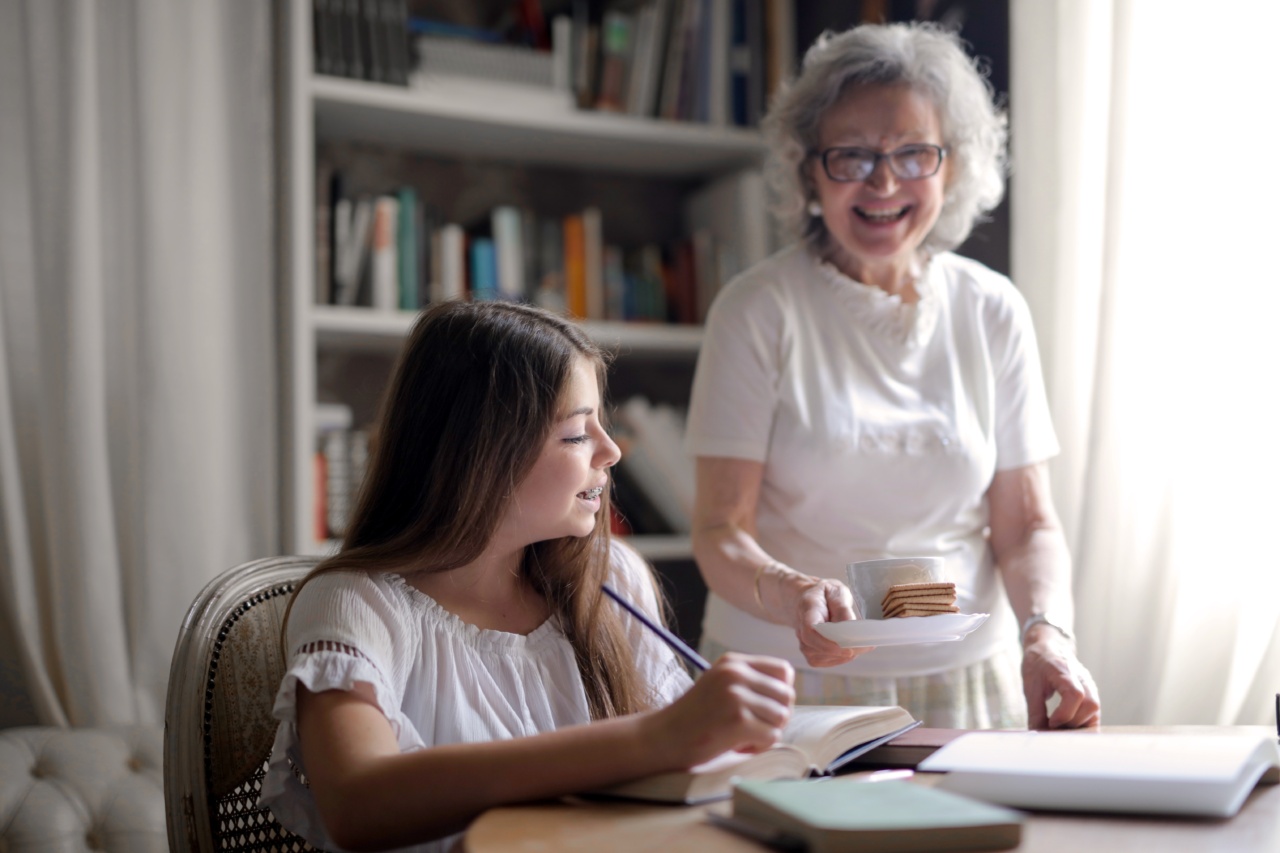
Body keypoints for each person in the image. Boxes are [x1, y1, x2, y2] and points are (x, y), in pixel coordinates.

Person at [261, 300, 795, 853]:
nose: (611, 452)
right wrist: (654, 739)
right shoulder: (357, 606)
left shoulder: (612, 581)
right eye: (575, 435)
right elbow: (356, 803)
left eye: (601, 426)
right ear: (480, 454)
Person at [685, 21, 1100, 731]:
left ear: (952, 165)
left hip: (967, 675)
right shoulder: (756, 310)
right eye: (851, 155)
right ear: (808, 168)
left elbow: (1028, 523)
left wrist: (1046, 632)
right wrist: (791, 593)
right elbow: (720, 529)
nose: (883, 182)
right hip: (783, 677)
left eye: (913, 153)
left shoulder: (992, 308)